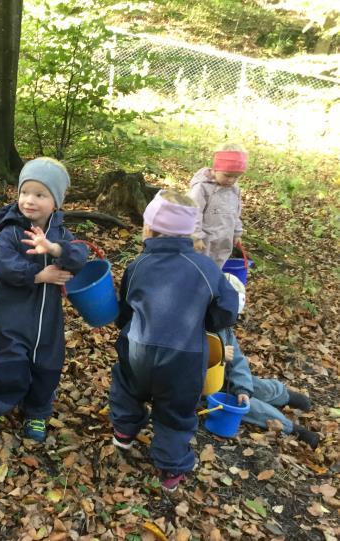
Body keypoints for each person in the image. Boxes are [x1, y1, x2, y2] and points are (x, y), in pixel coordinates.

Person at [109, 190, 239, 492]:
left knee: (127, 386)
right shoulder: (205, 267)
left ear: (149, 229)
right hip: (184, 358)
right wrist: (205, 322)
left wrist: (123, 325)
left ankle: (124, 431)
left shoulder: (138, 265)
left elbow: (126, 308)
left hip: (139, 350)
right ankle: (170, 469)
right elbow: (227, 310)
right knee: (176, 411)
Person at [0, 158, 88, 443]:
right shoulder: (11, 229)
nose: (29, 200)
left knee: (48, 365)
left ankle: (37, 411)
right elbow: (5, 267)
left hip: (48, 318)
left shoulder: (60, 233)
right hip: (14, 312)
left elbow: (80, 257)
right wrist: (40, 275)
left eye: (40, 194)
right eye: (25, 192)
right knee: (10, 362)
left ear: (56, 202)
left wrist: (54, 248)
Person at [220, 274, 319, 448]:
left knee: (254, 385)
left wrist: (242, 387)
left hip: (224, 374)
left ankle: (285, 395)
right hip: (207, 386)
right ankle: (292, 428)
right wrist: (214, 355)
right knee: (249, 407)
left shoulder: (224, 329)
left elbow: (237, 360)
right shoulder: (192, 326)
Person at [189, 143, 247, 268]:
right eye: (227, 175)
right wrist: (196, 236)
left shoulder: (234, 189)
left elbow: (236, 213)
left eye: (236, 177)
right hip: (204, 240)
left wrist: (237, 233)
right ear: (216, 169)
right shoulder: (202, 188)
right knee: (198, 267)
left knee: (216, 268)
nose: (231, 180)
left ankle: (212, 285)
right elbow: (193, 211)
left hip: (224, 239)